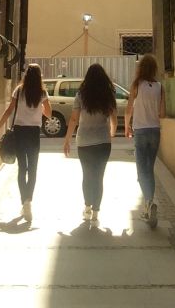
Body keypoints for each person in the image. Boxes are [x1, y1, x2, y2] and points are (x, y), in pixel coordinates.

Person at [0, 63, 52, 222]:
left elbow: (9, 111)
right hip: (34, 133)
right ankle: (29, 200)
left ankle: (24, 201)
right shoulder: (42, 93)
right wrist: (39, 109)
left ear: (26, 75)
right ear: (39, 76)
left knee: (22, 168)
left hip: (20, 132)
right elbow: (49, 114)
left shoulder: (19, 90)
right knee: (33, 168)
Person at [63, 63, 117, 228]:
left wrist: (67, 140)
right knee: (99, 177)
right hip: (103, 141)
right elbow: (114, 118)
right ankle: (96, 212)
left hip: (84, 141)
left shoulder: (81, 95)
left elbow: (73, 119)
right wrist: (112, 133)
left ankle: (87, 207)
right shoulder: (109, 94)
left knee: (87, 176)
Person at [125, 53, 165, 228]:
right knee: (149, 169)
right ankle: (149, 205)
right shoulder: (160, 87)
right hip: (155, 131)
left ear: (140, 68)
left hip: (140, 131)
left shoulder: (136, 85)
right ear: (155, 69)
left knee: (142, 171)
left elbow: (128, 109)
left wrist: (127, 126)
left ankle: (149, 202)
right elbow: (162, 113)